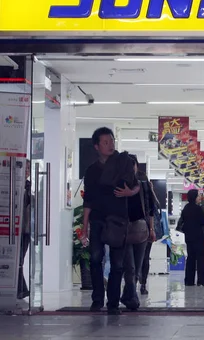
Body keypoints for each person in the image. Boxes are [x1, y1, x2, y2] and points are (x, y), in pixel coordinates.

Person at [80, 127, 140, 315]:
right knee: (96, 258)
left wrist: (131, 192)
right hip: (97, 220)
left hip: (118, 219)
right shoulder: (91, 171)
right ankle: (98, 299)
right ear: (97, 146)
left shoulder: (124, 163)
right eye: (105, 142)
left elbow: (137, 185)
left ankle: (113, 303)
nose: (110, 145)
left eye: (112, 141)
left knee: (118, 264)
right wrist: (84, 227)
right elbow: (87, 200)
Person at [120, 155, 156, 310]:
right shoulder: (118, 184)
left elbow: (150, 209)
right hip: (123, 231)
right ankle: (132, 297)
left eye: (132, 165)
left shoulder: (143, 185)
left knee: (138, 264)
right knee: (130, 266)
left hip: (141, 229)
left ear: (136, 167)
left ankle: (127, 295)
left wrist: (152, 229)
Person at [181, 189, 204, 287]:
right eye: (198, 196)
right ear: (194, 197)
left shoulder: (186, 208)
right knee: (200, 259)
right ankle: (201, 280)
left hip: (189, 237)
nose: (199, 197)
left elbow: (183, 221)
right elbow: (202, 222)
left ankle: (189, 280)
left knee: (190, 258)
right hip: (198, 237)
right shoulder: (198, 209)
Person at [140, 181, 161, 296]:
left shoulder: (136, 195)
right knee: (145, 257)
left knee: (136, 256)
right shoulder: (150, 197)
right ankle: (143, 284)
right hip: (148, 230)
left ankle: (136, 281)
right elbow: (157, 206)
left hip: (137, 229)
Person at [17, 160, 31, 300]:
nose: (27, 171)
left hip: (26, 229)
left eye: (28, 168)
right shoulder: (16, 185)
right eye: (25, 168)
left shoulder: (28, 186)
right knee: (18, 261)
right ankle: (21, 290)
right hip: (16, 228)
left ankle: (21, 290)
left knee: (20, 260)